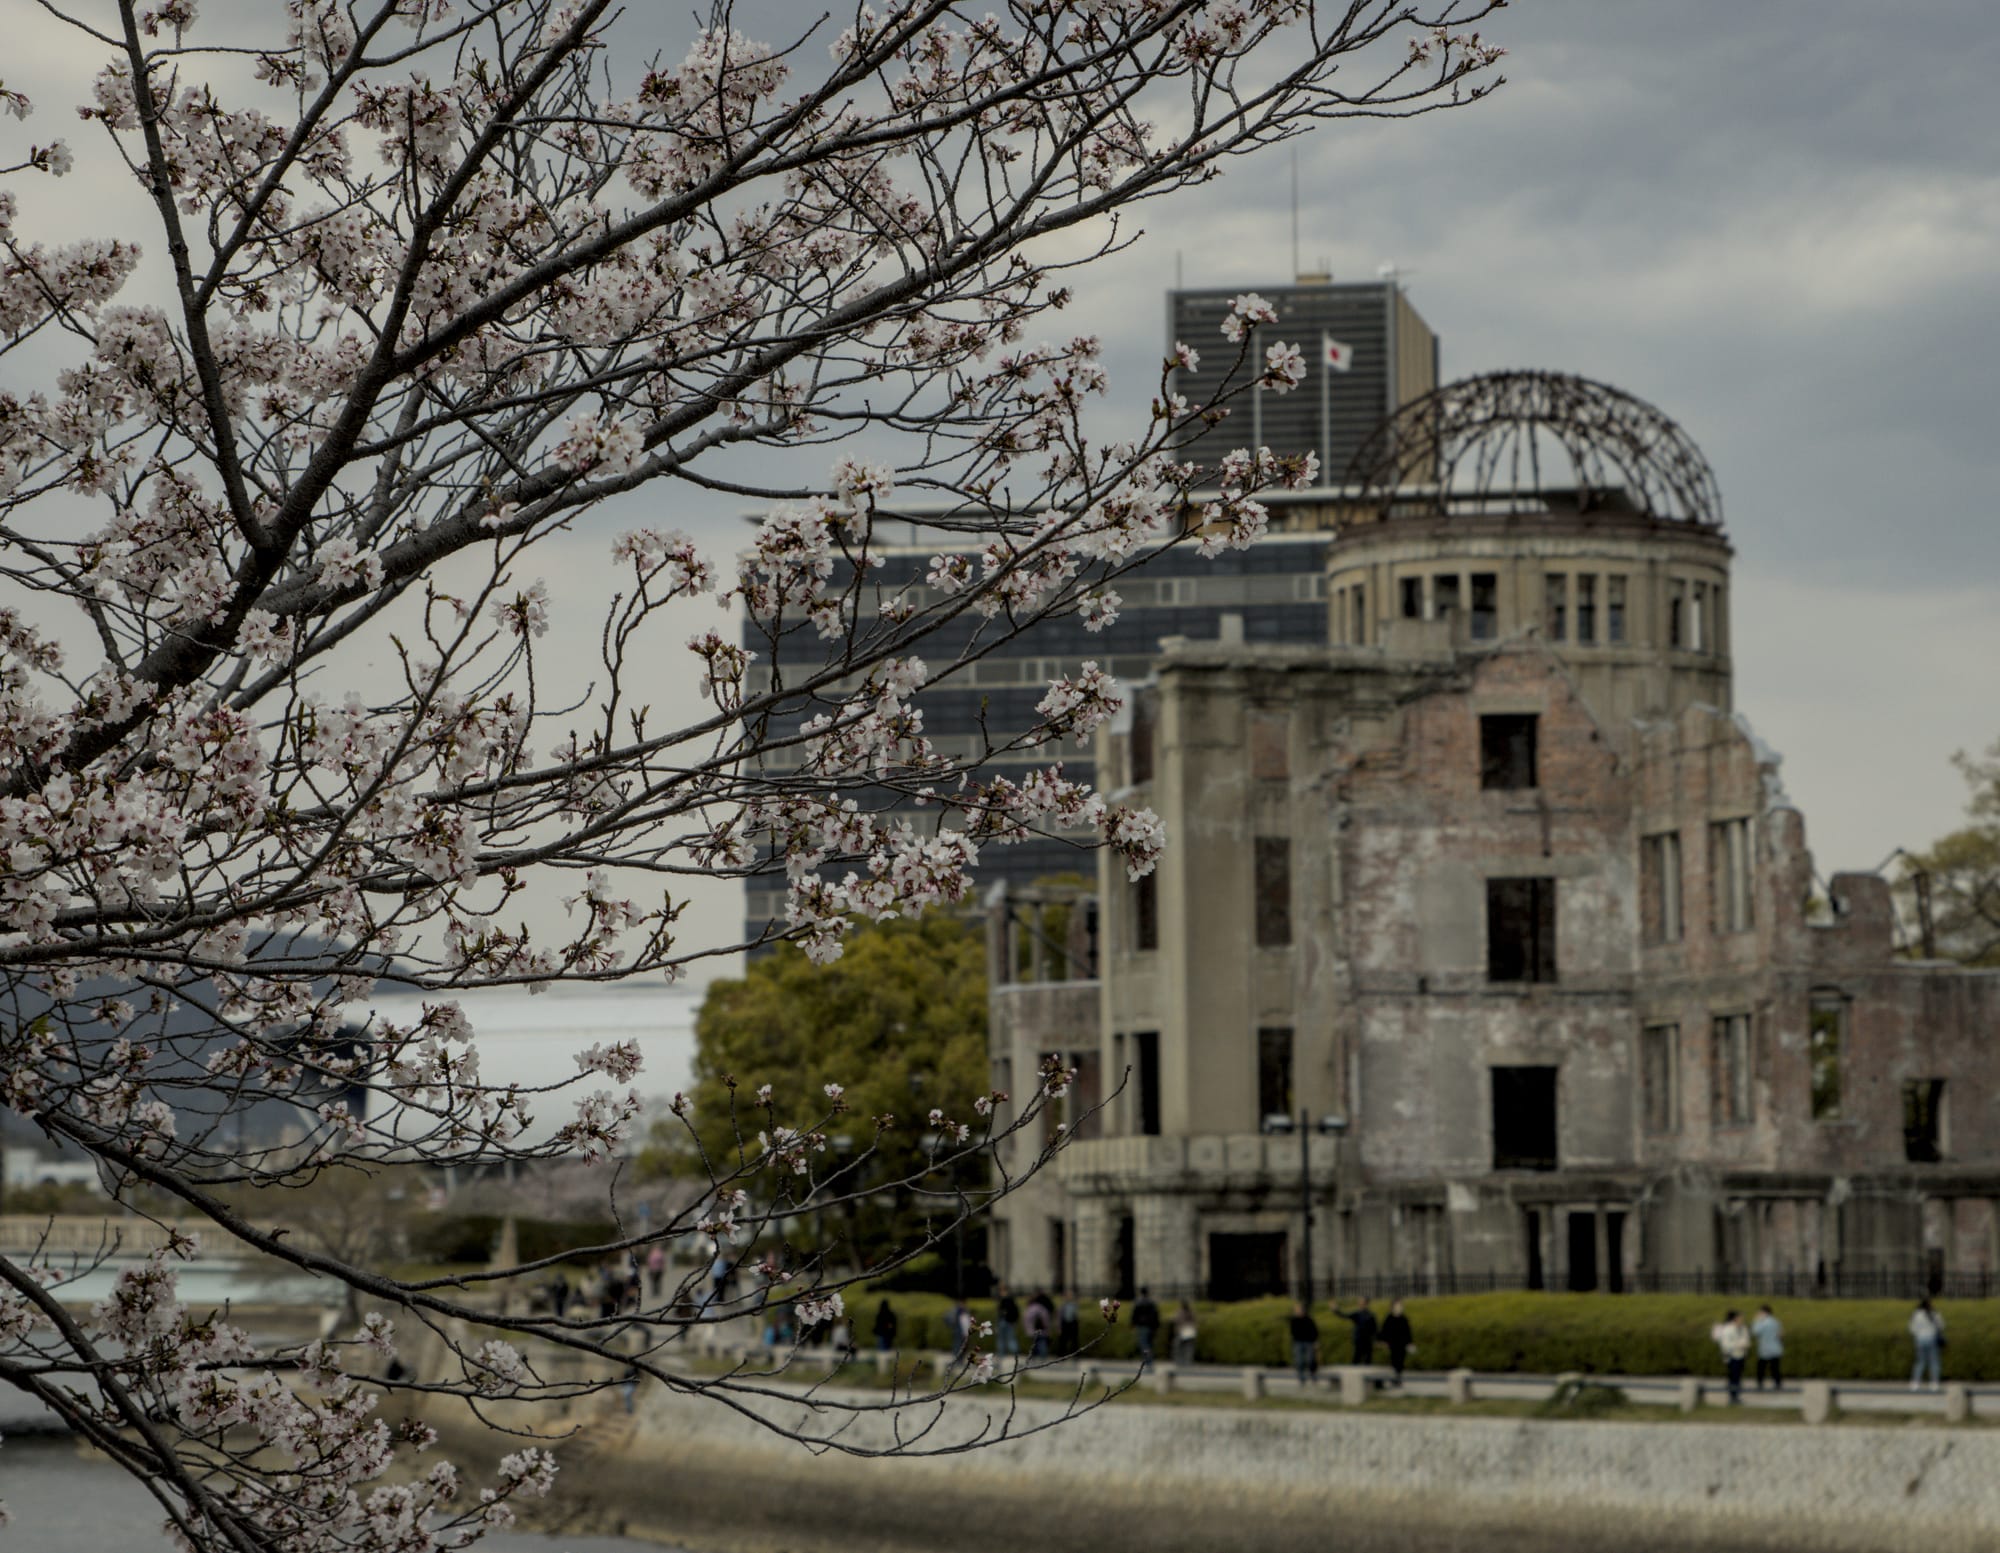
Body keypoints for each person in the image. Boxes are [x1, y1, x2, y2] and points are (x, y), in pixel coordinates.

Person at [1710, 1310, 1750, 1404]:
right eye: (1740, 1317)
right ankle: (1733, 1396)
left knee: (1738, 1376)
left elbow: (1747, 1339)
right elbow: (1725, 1344)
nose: (1742, 1319)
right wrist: (1739, 1344)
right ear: (1735, 1318)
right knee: (1733, 1377)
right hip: (1732, 1356)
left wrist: (1744, 1344)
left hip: (1741, 1355)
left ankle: (1736, 1395)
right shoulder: (1727, 1329)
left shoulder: (1743, 1328)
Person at [1910, 1297, 1945, 1392]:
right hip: (1932, 1338)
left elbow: (1912, 1328)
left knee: (1920, 1362)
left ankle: (1915, 1382)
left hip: (1920, 1340)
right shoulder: (1935, 1314)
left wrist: (1918, 1334)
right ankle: (1934, 1383)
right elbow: (1941, 1326)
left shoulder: (1916, 1315)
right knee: (1934, 1362)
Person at [1332, 1296, 1378, 1366]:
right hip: (1359, 1339)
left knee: (1368, 1358)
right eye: (1360, 1302)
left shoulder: (1371, 1315)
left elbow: (1374, 1329)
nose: (1361, 1304)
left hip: (1368, 1340)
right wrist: (1336, 1310)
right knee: (1357, 1357)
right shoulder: (1357, 1314)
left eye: (1362, 1302)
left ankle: (1367, 1370)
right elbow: (1344, 1315)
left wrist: (1376, 1339)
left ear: (1366, 1304)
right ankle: (1354, 1370)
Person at [1380, 1298, 1414, 1386]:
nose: (1399, 1307)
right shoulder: (1389, 1318)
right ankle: (1395, 1379)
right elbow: (1384, 1331)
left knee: (1401, 1362)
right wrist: (1384, 1341)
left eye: (1400, 1306)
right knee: (1394, 1361)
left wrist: (1410, 1343)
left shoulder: (1404, 1318)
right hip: (1393, 1344)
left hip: (1402, 1344)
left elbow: (1408, 1332)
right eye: (1397, 1306)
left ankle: (1398, 1378)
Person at [1749, 1304, 1784, 1391]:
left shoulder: (1763, 1323)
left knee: (1761, 1368)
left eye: (1760, 1312)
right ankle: (1778, 1384)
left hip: (1765, 1349)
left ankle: (1760, 1384)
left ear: (1764, 1313)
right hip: (1776, 1348)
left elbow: (1754, 1332)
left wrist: (1756, 1321)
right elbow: (1780, 1334)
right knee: (1775, 1368)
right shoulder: (1775, 1321)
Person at [1287, 1302, 1321, 1386]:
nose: (1297, 1311)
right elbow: (1292, 1332)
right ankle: (1301, 1378)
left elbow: (1314, 1331)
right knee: (1299, 1361)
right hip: (1298, 1342)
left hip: (1309, 1342)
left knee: (1311, 1360)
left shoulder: (1309, 1319)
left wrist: (1315, 1341)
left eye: (1299, 1310)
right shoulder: (1293, 1320)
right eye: (1296, 1310)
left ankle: (1313, 1375)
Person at [1131, 1287, 1162, 1365]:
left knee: (1144, 1344)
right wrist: (1157, 1326)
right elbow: (1156, 1315)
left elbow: (1134, 1315)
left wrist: (1133, 1324)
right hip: (1151, 1326)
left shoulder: (1138, 1302)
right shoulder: (1152, 1303)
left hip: (1142, 1326)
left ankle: (1147, 1360)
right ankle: (1149, 1359)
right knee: (1149, 1344)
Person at [994, 1283, 1021, 1358]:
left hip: (1004, 1321)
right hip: (1010, 1322)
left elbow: (1001, 1313)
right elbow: (1016, 1311)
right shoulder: (1012, 1300)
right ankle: (1015, 1354)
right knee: (1011, 1338)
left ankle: (1001, 1355)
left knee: (1002, 1339)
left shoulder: (1004, 1300)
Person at [1024, 1294, 1052, 1359]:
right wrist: (1048, 1329)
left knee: (1034, 1345)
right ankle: (1043, 1358)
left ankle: (1034, 1358)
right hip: (1042, 1330)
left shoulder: (1029, 1309)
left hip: (1032, 1331)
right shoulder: (1042, 1308)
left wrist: (1028, 1331)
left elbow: (1026, 1320)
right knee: (1042, 1344)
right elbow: (1046, 1319)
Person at [1171, 1300, 1199, 1367]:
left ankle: (1180, 1361)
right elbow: (1195, 1321)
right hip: (1191, 1332)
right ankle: (1188, 1361)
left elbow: (1175, 1320)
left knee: (1179, 1347)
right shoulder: (1191, 1312)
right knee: (1189, 1348)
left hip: (1182, 1332)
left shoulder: (1180, 1312)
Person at [1057, 1291, 1081, 1357]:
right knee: (1063, 1340)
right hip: (1064, 1324)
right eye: (1068, 1296)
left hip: (1073, 1324)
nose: (1069, 1297)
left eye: (1070, 1295)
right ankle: (1061, 1354)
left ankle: (1075, 1354)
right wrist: (1059, 1327)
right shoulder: (1062, 1305)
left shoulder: (1074, 1305)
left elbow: (1076, 1315)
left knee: (1074, 1340)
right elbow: (1059, 1317)